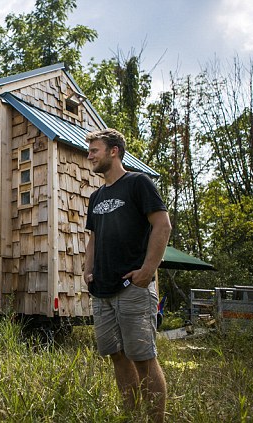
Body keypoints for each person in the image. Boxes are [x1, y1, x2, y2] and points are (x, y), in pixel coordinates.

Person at [83, 128, 172, 422]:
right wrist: (87, 269)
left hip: (132, 286)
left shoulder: (138, 183)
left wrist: (148, 271)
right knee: (116, 356)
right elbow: (94, 238)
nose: (89, 155)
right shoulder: (96, 196)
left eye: (94, 150)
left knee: (143, 357)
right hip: (102, 290)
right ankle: (132, 417)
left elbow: (163, 225)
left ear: (113, 151)